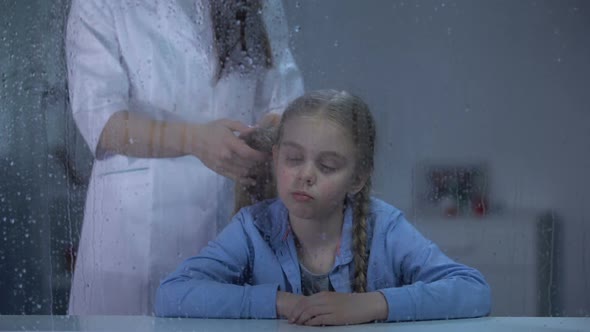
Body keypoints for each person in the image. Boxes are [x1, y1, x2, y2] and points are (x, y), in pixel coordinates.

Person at [154, 90, 492, 325]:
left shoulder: (384, 226)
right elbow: (172, 295)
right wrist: (281, 302)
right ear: (275, 159)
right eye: (293, 159)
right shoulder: (252, 228)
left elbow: (473, 290)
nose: (305, 175)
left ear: (358, 178)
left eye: (327, 166)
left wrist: (371, 305)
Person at [66, 0, 303, 315]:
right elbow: (101, 120)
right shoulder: (101, 4)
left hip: (232, 213)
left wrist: (264, 138)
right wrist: (196, 141)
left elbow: (284, 101)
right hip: (137, 231)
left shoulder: (259, 3)